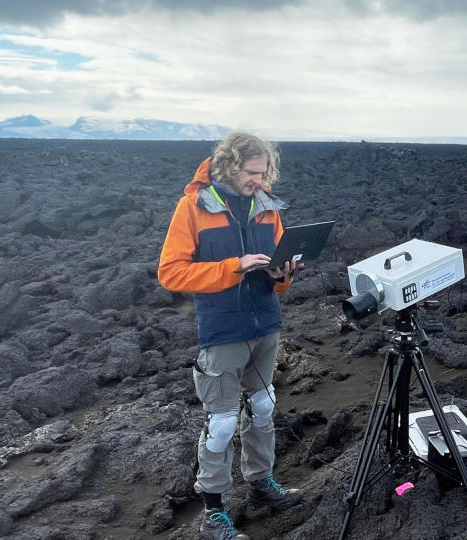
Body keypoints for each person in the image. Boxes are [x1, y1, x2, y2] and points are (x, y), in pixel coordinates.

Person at [158, 132, 304, 540]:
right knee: (221, 422)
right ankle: (213, 513)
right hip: (222, 329)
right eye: (252, 173)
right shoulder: (193, 208)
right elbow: (170, 273)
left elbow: (278, 272)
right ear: (229, 166)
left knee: (262, 404)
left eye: (264, 173)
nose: (259, 181)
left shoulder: (267, 208)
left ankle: (262, 485)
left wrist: (283, 276)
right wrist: (232, 267)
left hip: (264, 325)